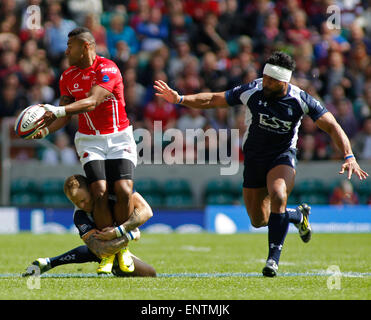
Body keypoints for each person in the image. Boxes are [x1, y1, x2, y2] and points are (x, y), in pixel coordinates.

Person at [154, 51, 369, 277]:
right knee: (258, 220)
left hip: (282, 156)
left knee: (278, 193)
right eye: (264, 77)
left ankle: (272, 261)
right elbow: (214, 99)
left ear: (283, 82)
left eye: (270, 81)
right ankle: (297, 215)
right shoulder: (253, 90)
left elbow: (333, 126)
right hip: (255, 158)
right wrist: (180, 99)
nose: (264, 83)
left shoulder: (300, 99)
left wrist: (349, 156)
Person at [33, 27, 137, 237]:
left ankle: (121, 242)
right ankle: (108, 250)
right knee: (99, 192)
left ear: (86, 47)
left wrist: (58, 109)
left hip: (119, 136)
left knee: (124, 191)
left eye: (70, 47)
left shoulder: (108, 69)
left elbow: (92, 102)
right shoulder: (67, 77)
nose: (66, 52)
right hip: (90, 140)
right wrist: (44, 130)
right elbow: (63, 117)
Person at [23, 174, 155, 277]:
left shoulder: (114, 192)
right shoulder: (79, 216)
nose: (81, 206)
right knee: (144, 273)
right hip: (106, 254)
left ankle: (50, 262)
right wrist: (130, 234)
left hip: (118, 245)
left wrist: (118, 231)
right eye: (75, 202)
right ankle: (51, 262)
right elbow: (99, 250)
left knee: (151, 273)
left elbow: (147, 211)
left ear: (92, 191)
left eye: (83, 200)